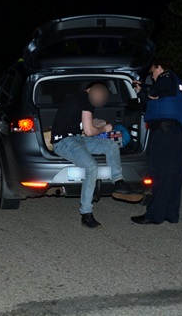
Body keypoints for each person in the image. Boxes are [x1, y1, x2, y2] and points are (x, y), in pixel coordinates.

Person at [50, 81, 143, 229]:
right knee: (91, 167)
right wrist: (105, 128)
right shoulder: (85, 99)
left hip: (78, 139)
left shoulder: (77, 97)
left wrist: (96, 126)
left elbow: (84, 127)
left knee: (111, 146)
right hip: (64, 142)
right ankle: (86, 214)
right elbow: (89, 131)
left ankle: (118, 183)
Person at [131, 58, 182, 225]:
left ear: (160, 67)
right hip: (176, 132)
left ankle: (154, 215)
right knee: (173, 175)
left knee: (160, 174)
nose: (153, 76)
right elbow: (154, 102)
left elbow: (155, 91)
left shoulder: (167, 77)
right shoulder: (177, 85)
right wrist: (141, 92)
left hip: (165, 132)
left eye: (153, 72)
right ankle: (171, 214)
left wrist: (146, 88)